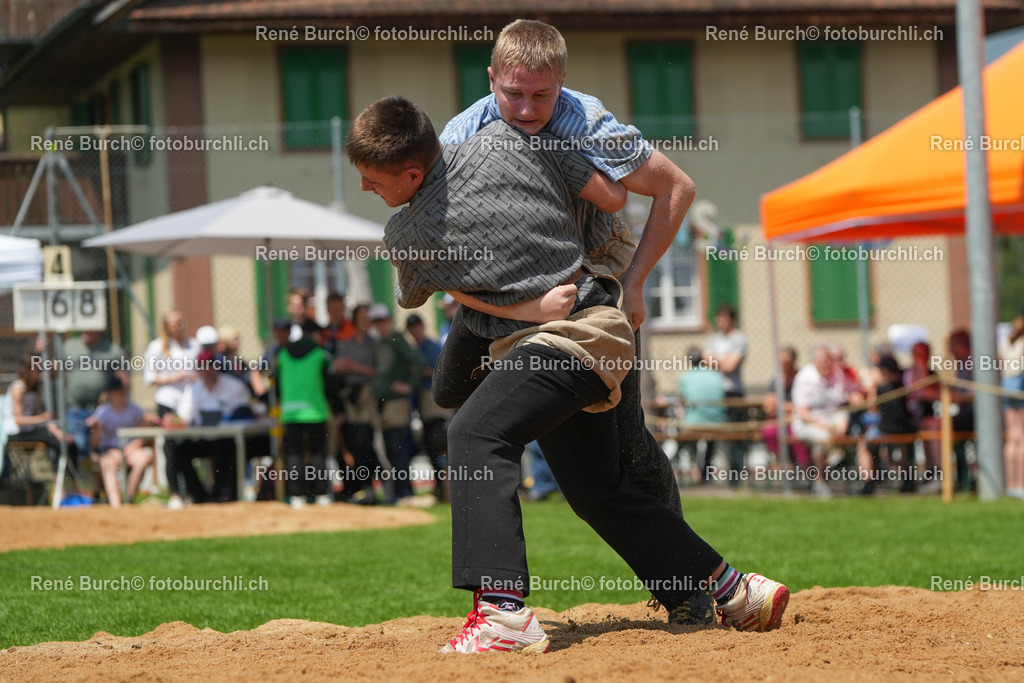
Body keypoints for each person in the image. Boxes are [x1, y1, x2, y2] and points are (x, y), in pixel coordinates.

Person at [347, 95, 789, 654]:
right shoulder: (510, 138)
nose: (367, 189)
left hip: (560, 345)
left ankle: (502, 613)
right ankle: (736, 591)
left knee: (474, 433)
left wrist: (517, 302)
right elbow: (611, 194)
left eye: (372, 180)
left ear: (412, 173)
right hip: (601, 323)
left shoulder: (407, 233)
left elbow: (419, 293)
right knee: (596, 489)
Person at [436, 18, 688, 521]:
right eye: (513, 94)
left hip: (588, 277)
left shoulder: (583, 124)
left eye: (542, 95)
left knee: (627, 442)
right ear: (490, 79)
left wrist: (634, 285)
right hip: (505, 285)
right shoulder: (462, 137)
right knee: (448, 389)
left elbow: (676, 188)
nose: (527, 109)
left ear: (562, 84)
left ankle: (689, 577)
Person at [175, 348, 252, 503]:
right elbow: (184, 416)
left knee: (229, 447)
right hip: (203, 438)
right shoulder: (193, 390)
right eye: (203, 366)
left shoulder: (234, 386)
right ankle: (200, 496)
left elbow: (244, 412)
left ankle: (224, 494)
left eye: (210, 365)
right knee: (176, 450)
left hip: (227, 439)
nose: (207, 370)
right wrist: (176, 420)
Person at [369, 304, 427, 504]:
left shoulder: (396, 339)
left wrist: (409, 386)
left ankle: (404, 492)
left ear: (389, 321)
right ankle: (397, 493)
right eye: (377, 322)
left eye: (382, 321)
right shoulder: (380, 342)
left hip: (396, 403)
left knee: (398, 447)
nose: (380, 326)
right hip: (383, 403)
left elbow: (419, 361)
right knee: (390, 448)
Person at [143, 308, 199, 510]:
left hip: (190, 403)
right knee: (171, 448)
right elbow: (149, 378)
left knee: (189, 447)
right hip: (168, 402)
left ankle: (196, 492)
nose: (180, 327)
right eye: (175, 323)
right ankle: (175, 493)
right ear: (167, 327)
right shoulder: (157, 347)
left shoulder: (193, 345)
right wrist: (174, 377)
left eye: (181, 322)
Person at [277, 319, 335, 508]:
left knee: (294, 454)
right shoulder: (320, 354)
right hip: (315, 411)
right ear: (315, 334)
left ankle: (296, 495)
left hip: (290, 412)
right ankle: (321, 493)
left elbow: (277, 384)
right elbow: (330, 385)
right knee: (318, 454)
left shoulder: (283, 353)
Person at [85, 376, 158, 507]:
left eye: (121, 390)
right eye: (116, 390)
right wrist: (96, 429)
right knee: (107, 463)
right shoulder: (103, 412)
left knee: (143, 459)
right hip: (112, 449)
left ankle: (127, 500)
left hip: (132, 449)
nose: (121, 393)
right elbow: (94, 444)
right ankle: (116, 505)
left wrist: (136, 444)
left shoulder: (134, 409)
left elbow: (145, 432)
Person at [792, 344, 851, 498]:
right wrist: (825, 426)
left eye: (829, 360)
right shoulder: (805, 377)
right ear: (814, 361)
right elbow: (803, 412)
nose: (826, 363)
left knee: (842, 422)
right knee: (823, 440)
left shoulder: (837, 374)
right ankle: (820, 480)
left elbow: (841, 403)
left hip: (831, 419)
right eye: (822, 360)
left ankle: (835, 459)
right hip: (808, 423)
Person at [63, 329, 129, 461]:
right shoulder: (69, 346)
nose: (85, 331)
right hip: (77, 408)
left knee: (101, 449)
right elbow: (53, 370)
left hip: (102, 410)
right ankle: (80, 480)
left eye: (90, 328)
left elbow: (124, 378)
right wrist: (42, 353)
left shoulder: (112, 349)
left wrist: (121, 404)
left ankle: (99, 481)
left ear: (99, 330)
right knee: (78, 446)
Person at [406, 313, 451, 502]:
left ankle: (446, 490)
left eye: (417, 327)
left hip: (434, 403)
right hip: (424, 404)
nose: (415, 331)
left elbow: (441, 371)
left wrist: (419, 372)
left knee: (439, 445)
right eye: (411, 328)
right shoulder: (414, 348)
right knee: (432, 447)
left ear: (423, 327)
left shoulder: (431, 346)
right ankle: (441, 489)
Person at [3, 355, 78, 463]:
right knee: (53, 442)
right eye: (39, 370)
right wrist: (42, 417)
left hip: (29, 430)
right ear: (30, 370)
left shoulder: (33, 389)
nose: (41, 373)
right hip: (15, 432)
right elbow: (19, 420)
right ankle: (56, 476)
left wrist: (58, 432)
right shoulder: (18, 389)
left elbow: (42, 416)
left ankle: (68, 477)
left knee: (69, 444)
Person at [859, 355, 916, 495]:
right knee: (897, 449)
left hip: (888, 430)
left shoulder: (882, 388)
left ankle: (868, 482)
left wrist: (872, 387)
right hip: (904, 428)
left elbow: (872, 408)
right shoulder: (901, 385)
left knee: (864, 445)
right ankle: (906, 480)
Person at [705, 304, 749, 484]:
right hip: (714, 392)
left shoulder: (739, 339)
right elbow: (705, 358)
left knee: (734, 435)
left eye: (723, 318)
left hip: (732, 393)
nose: (719, 322)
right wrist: (722, 362)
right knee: (710, 433)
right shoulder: (714, 339)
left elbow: (731, 366)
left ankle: (735, 475)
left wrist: (715, 361)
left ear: (732, 319)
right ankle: (705, 474)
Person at [677, 346, 726, 484]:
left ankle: (696, 470)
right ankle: (706, 473)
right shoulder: (716, 375)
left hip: (694, 423)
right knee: (710, 442)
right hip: (717, 422)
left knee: (690, 439)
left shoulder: (685, 377)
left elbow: (682, 401)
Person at [761, 347, 811, 470]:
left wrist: (780, 405)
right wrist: (785, 407)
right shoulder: (776, 380)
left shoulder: (801, 378)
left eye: (786, 362)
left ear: (793, 362)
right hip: (781, 419)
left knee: (795, 435)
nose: (783, 366)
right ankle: (782, 462)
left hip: (797, 419)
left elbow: (801, 407)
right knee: (769, 430)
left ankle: (805, 470)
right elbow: (768, 406)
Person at [904, 341, 941, 493]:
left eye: (923, 354)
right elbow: (919, 393)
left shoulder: (932, 374)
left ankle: (935, 473)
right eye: (917, 354)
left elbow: (932, 393)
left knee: (931, 426)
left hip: (925, 418)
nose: (920, 357)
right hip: (905, 419)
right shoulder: (906, 373)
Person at [946, 329, 975, 492]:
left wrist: (957, 396)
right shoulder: (961, 363)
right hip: (966, 412)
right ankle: (961, 477)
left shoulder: (972, 362)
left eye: (952, 345)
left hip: (976, 414)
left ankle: (963, 479)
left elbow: (973, 393)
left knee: (948, 425)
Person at [1000, 309, 1024, 500]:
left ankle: (1012, 484)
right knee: (1022, 439)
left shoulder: (1007, 342)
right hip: (1020, 390)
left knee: (1012, 438)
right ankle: (1021, 485)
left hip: (1007, 391)